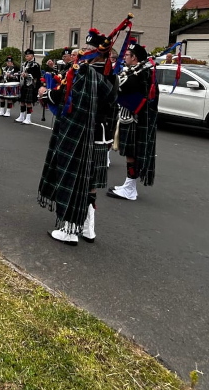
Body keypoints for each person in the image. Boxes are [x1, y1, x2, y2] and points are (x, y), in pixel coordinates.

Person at [37, 31, 117, 245]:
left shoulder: (85, 73)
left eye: (88, 49)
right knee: (89, 181)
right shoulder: (112, 74)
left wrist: (47, 94)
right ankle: (88, 228)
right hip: (101, 134)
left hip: (80, 133)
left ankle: (69, 229)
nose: (83, 52)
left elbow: (71, 101)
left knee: (72, 179)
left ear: (95, 52)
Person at [109, 41, 158, 202]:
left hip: (135, 119)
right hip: (130, 117)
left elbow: (122, 88)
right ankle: (129, 185)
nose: (125, 57)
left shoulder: (142, 73)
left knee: (132, 154)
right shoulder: (136, 71)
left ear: (135, 57)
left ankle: (130, 188)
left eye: (128, 55)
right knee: (130, 153)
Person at [16, 48, 42, 124]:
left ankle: (28, 118)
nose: (26, 57)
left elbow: (37, 76)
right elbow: (21, 72)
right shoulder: (24, 64)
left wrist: (28, 75)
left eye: (28, 55)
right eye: (26, 55)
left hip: (31, 85)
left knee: (28, 102)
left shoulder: (35, 65)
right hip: (23, 84)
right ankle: (21, 116)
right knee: (22, 101)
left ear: (32, 56)